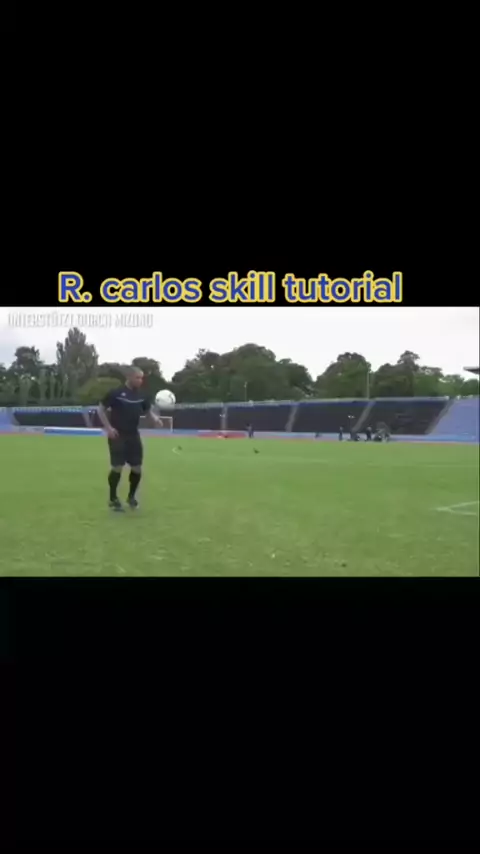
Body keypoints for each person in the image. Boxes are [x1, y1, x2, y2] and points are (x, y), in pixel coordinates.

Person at [97, 366, 163, 511]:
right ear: (129, 377)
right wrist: (108, 428)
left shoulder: (142, 395)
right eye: (138, 378)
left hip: (133, 435)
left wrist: (155, 419)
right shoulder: (116, 393)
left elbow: (148, 411)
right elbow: (100, 409)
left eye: (141, 378)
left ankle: (131, 497)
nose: (140, 380)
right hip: (118, 435)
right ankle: (113, 498)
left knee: (137, 468)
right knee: (117, 467)